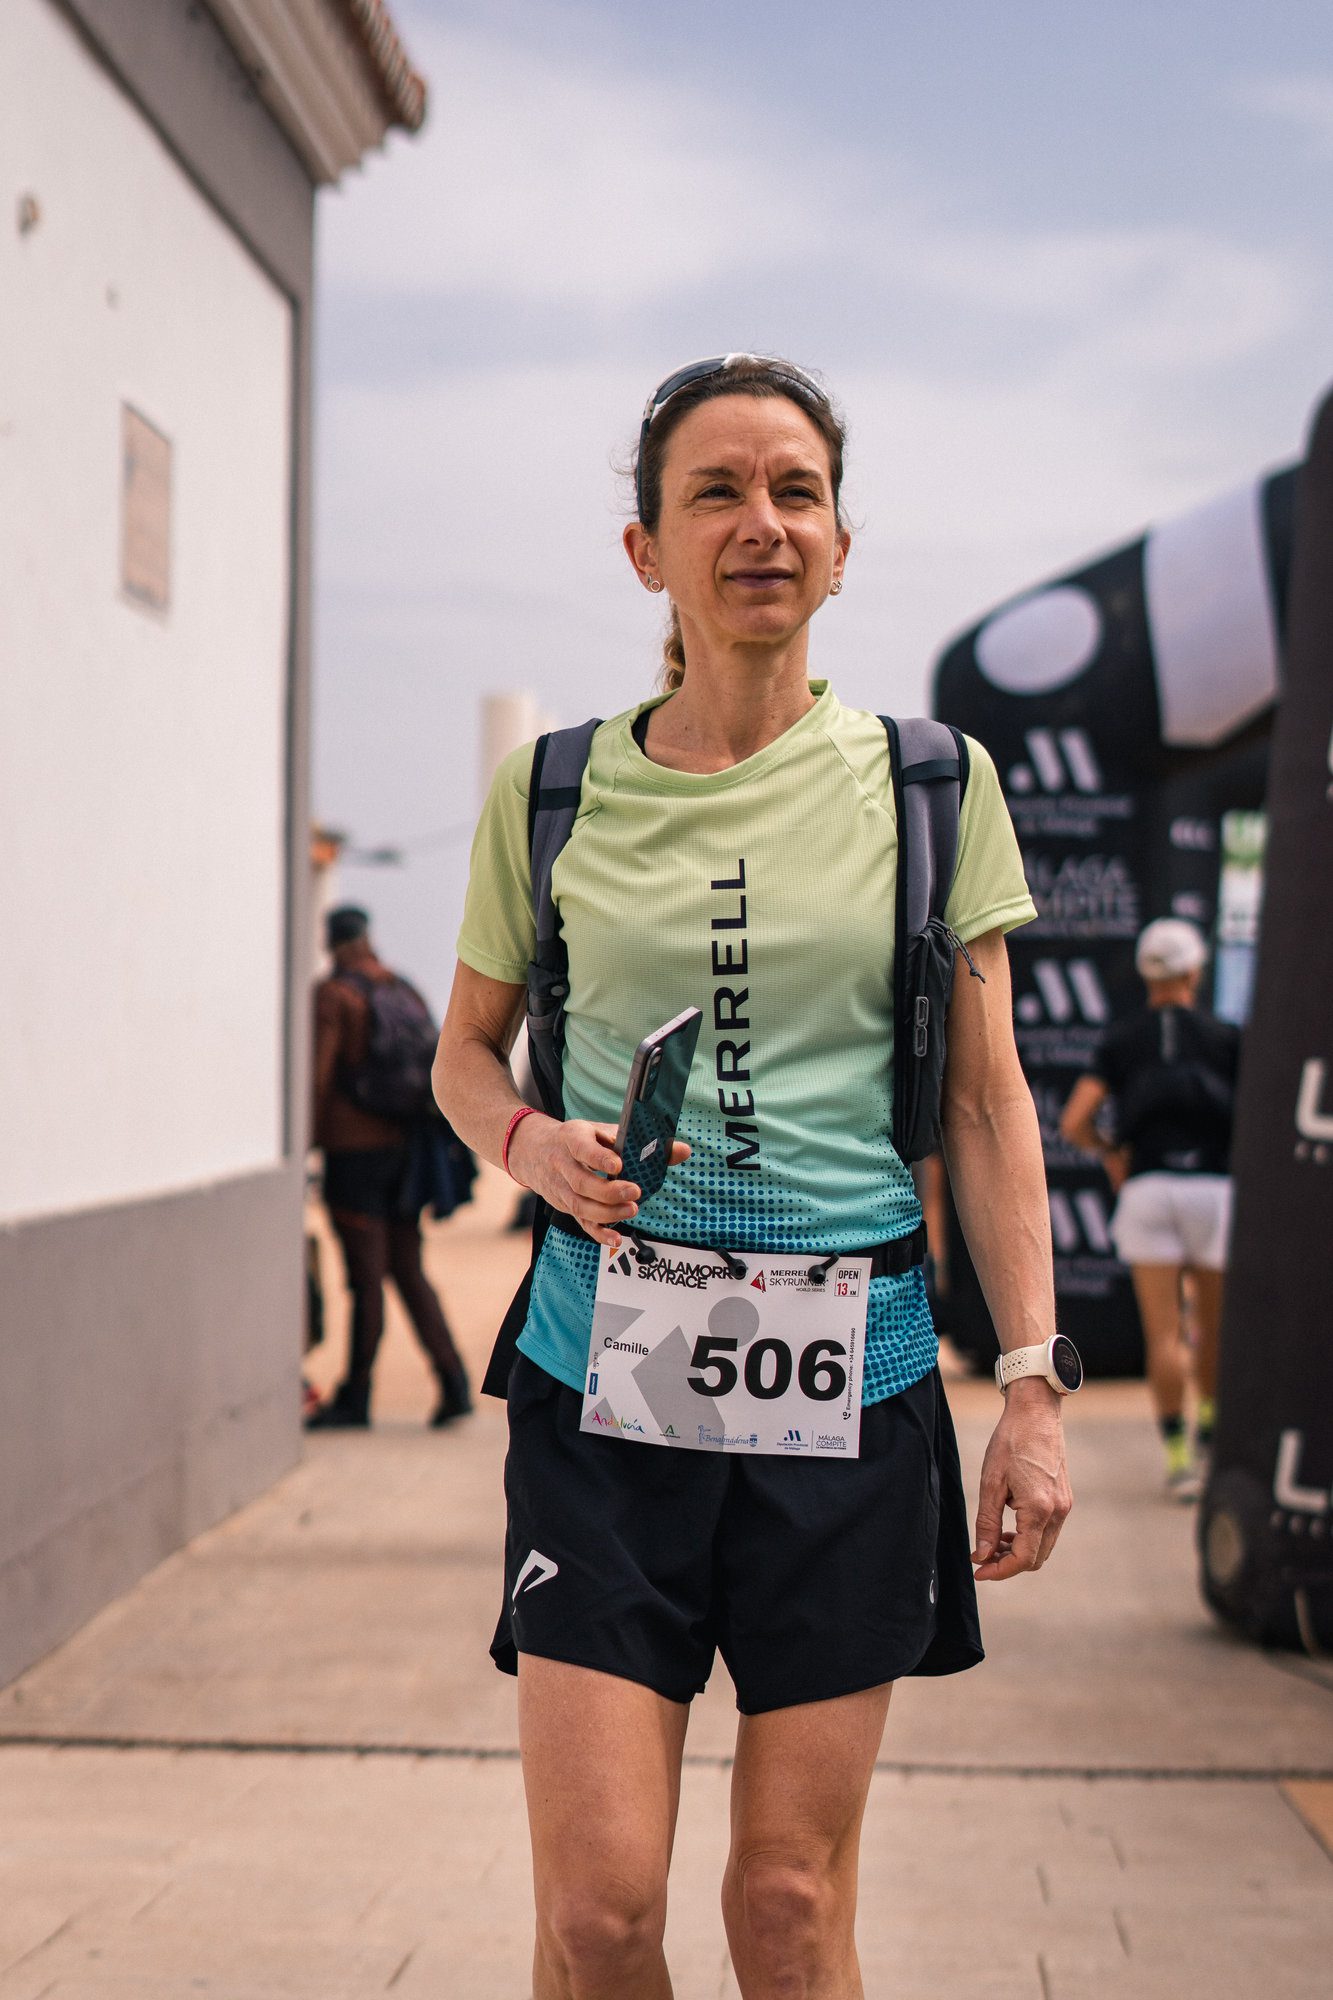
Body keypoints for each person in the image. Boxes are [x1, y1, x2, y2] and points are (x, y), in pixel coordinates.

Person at [435, 354, 1072, 2000]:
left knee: (785, 1907)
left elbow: (987, 1105)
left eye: (796, 491)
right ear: (645, 548)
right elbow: (465, 1057)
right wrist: (525, 1143)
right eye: (713, 491)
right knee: (598, 1916)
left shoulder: (932, 786)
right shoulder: (551, 789)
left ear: (842, 544)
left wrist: (1029, 1385)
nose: (761, 524)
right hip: (602, 1386)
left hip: (848, 1391)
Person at [1061, 917, 1240, 1498]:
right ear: (1195, 971)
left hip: (1148, 1189)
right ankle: (1208, 1435)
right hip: (1214, 1190)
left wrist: (1112, 1153)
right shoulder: (1226, 1037)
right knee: (1212, 1328)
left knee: (1165, 1333)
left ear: (1145, 973)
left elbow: (1074, 1121)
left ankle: (1178, 1456)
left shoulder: (1121, 1040)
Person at [307, 905, 472, 1430]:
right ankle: (454, 1384)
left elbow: (317, 1078)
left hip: (354, 1157)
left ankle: (356, 1397)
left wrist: (304, 1149)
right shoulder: (401, 987)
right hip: (407, 1153)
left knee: (366, 1278)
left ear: (330, 943)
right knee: (407, 1269)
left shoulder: (334, 995)